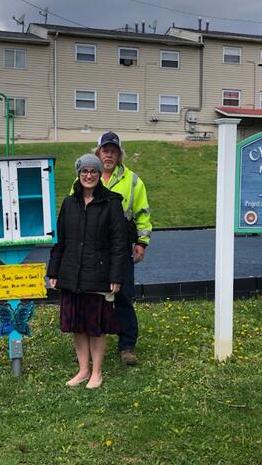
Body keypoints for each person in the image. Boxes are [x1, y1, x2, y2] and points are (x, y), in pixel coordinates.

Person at [47, 154, 127, 389]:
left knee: (96, 326)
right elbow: (60, 241)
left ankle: (97, 372)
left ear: (99, 173)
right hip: (71, 274)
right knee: (78, 325)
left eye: (93, 171)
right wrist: (54, 271)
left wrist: (116, 276)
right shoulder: (69, 203)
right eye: (84, 171)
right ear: (78, 174)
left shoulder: (111, 203)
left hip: (99, 274)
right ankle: (83, 370)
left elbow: (119, 243)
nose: (89, 176)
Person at [94, 131, 152, 366]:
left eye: (113, 151)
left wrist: (141, 242)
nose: (108, 155)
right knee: (93, 297)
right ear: (98, 153)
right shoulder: (85, 177)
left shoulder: (133, 180)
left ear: (119, 155)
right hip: (94, 251)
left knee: (124, 296)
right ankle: (94, 344)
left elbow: (142, 213)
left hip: (121, 250)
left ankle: (127, 346)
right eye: (105, 150)